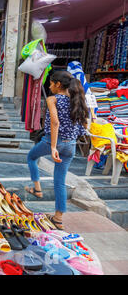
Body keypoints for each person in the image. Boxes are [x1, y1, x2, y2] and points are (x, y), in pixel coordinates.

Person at [25, 71, 88, 230]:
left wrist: (53, 146)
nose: (50, 86)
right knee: (60, 181)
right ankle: (58, 218)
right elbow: (83, 126)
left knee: (31, 157)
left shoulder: (52, 99)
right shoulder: (76, 100)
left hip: (54, 142)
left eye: (51, 83)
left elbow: (55, 123)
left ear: (58, 85)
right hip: (71, 145)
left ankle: (37, 189)